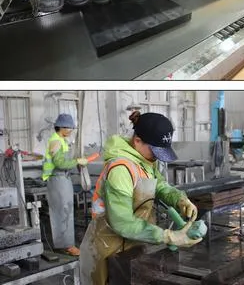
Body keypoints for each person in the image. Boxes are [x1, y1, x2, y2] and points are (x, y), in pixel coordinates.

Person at [80, 112, 202, 285]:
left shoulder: (144, 160)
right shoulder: (121, 168)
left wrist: (180, 199)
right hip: (109, 247)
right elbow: (122, 223)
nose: (157, 157)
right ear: (137, 141)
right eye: (155, 151)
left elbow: (159, 185)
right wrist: (168, 236)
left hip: (134, 241)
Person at [43, 114, 89, 256]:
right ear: (61, 127)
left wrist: (76, 160)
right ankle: (67, 245)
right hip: (57, 179)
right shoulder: (55, 141)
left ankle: (65, 243)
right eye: (69, 127)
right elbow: (60, 163)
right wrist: (77, 162)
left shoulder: (62, 140)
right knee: (63, 212)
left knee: (66, 211)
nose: (70, 130)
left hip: (63, 178)